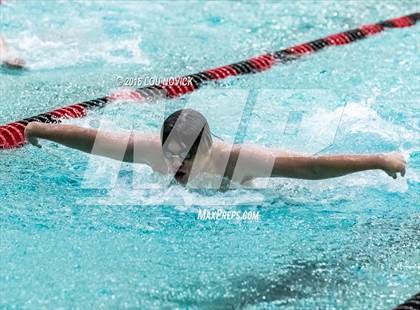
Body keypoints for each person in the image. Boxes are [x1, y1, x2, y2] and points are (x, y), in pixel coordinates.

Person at [24, 108, 406, 189]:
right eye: (171, 156)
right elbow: (93, 142)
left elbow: (308, 168)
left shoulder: (235, 160)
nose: (175, 166)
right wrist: (39, 128)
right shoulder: (152, 152)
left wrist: (377, 160)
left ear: (205, 148)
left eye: (184, 159)